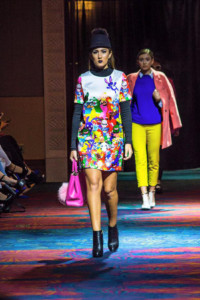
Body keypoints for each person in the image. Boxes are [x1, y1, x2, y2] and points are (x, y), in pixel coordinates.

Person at [70, 28, 133, 257]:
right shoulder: (83, 80)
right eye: (95, 51)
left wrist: (128, 141)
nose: (99, 55)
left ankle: (113, 225)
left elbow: (125, 111)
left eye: (103, 51)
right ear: (91, 55)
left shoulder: (120, 78)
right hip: (88, 139)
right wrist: (72, 146)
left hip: (113, 139)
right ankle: (96, 236)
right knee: (93, 185)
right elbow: (77, 113)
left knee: (109, 189)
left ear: (109, 54)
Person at [127, 48, 182, 210]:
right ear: (138, 62)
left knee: (153, 160)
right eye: (141, 59)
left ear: (152, 61)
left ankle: (152, 191)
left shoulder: (160, 78)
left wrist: (159, 101)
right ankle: (144, 195)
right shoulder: (131, 78)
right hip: (136, 123)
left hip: (155, 123)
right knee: (140, 160)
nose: (144, 62)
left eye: (147, 59)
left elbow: (169, 101)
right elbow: (126, 103)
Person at [152, 59, 180, 193]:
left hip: (161, 120)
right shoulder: (138, 80)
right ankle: (148, 180)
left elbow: (171, 102)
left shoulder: (166, 81)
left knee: (159, 151)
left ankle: (157, 181)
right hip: (143, 119)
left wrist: (175, 125)